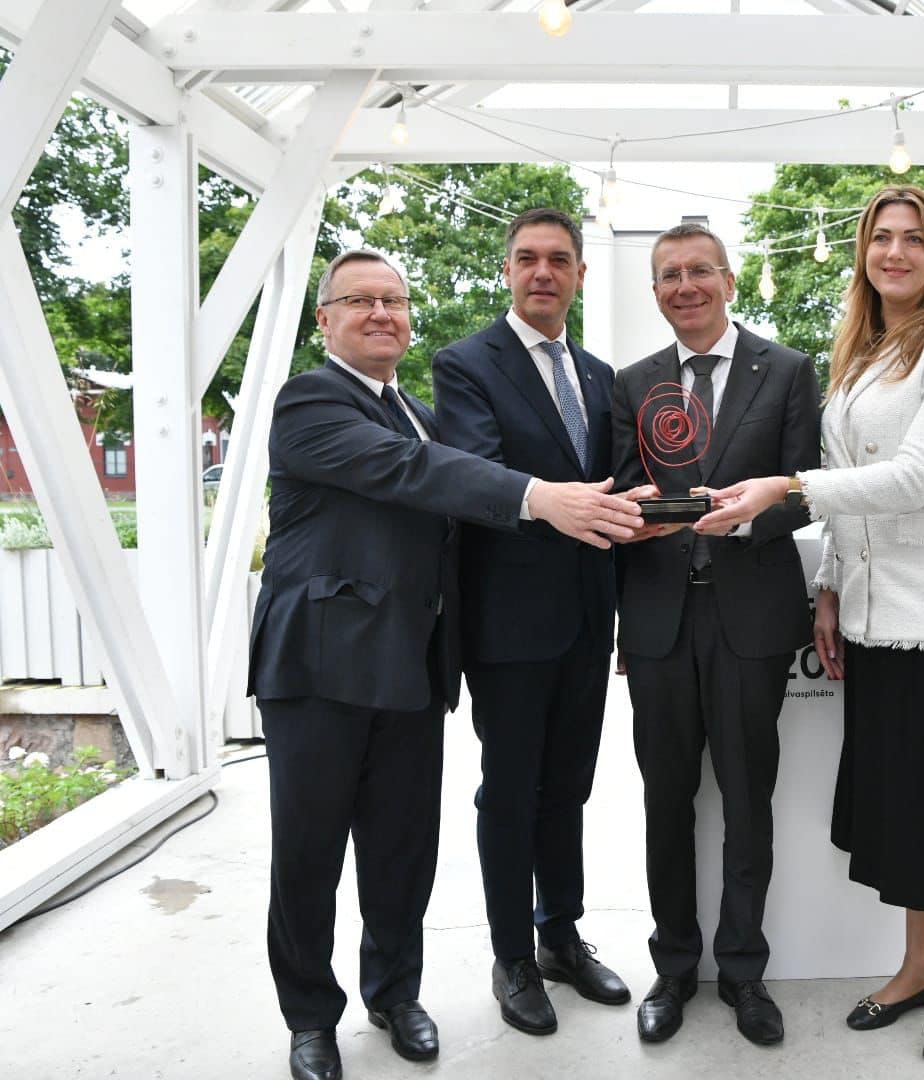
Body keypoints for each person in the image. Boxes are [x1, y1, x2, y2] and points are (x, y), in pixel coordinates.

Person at [250, 248, 642, 1080]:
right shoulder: (310, 400)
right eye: (360, 301)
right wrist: (539, 496)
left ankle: (395, 994)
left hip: (413, 666)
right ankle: (310, 1018)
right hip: (321, 666)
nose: (381, 314)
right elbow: (414, 473)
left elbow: (456, 500)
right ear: (325, 320)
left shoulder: (420, 413)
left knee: (402, 849)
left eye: (393, 301)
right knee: (310, 855)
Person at [694, 185, 924, 1065]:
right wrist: (829, 588)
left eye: (913, 238)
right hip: (874, 615)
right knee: (906, 809)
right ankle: (918, 966)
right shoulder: (864, 352)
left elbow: (915, 477)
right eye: (880, 238)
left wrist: (786, 487)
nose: (894, 252)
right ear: (863, 252)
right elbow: (851, 499)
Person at [610, 223, 821, 1047]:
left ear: (729, 281)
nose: (685, 286)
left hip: (750, 618)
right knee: (665, 800)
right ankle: (673, 967)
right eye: (669, 275)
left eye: (700, 270)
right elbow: (626, 487)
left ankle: (742, 971)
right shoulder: (633, 384)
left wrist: (748, 518)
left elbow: (805, 489)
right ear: (655, 292)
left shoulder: (788, 370)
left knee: (746, 799)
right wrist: (636, 514)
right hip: (659, 620)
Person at [432, 208, 631, 1036]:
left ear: (580, 273)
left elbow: (615, 484)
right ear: (508, 270)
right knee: (511, 792)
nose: (542, 271)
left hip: (589, 616)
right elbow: (479, 477)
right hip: (511, 622)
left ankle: (561, 936)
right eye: (526, 258)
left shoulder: (600, 375)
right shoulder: (465, 364)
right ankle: (512, 955)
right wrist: (562, 506)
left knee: (569, 786)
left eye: (557, 259)